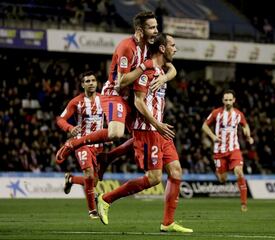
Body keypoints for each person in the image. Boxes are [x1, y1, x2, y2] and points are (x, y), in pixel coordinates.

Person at [56, 11, 177, 178]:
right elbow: (121, 82)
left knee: (142, 133)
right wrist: (144, 67)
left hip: (130, 98)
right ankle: (73, 143)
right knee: (116, 133)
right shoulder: (127, 46)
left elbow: (172, 68)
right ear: (140, 30)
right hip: (114, 94)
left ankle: (107, 158)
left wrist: (163, 77)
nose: (156, 31)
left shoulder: (148, 47)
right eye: (151, 28)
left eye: (156, 27)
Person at [96, 33, 192, 233]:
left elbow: (173, 69)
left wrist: (165, 76)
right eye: (173, 45)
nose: (176, 48)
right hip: (147, 129)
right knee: (154, 178)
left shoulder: (161, 69)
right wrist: (156, 123)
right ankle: (106, 199)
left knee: (176, 172)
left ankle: (167, 222)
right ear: (163, 49)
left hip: (159, 129)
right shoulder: (146, 70)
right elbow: (138, 101)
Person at [56, 71, 103, 219]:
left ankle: (70, 179)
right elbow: (60, 119)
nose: (91, 83)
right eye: (87, 81)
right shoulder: (76, 102)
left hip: (98, 145)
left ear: (96, 83)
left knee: (93, 182)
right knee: (88, 173)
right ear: (82, 84)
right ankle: (92, 211)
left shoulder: (105, 99)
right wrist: (70, 128)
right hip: (81, 142)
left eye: (93, 80)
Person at [202, 90, 254, 212]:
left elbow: (245, 125)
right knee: (222, 179)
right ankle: (219, 171)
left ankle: (244, 203)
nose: (228, 102)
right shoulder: (216, 113)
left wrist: (248, 135)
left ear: (234, 100)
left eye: (230, 100)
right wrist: (213, 137)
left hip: (233, 149)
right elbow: (204, 125)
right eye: (226, 100)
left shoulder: (238, 114)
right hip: (219, 151)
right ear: (222, 100)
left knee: (239, 172)